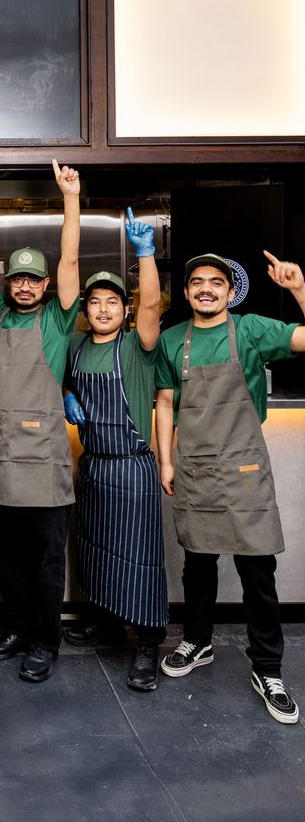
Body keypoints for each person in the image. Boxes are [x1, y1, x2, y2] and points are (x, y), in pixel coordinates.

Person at [155, 251, 305, 724]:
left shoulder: (252, 329)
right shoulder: (171, 339)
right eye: (197, 281)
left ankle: (268, 669)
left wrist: (299, 290)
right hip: (195, 467)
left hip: (243, 470)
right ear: (185, 292)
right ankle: (197, 642)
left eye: (215, 282)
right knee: (197, 566)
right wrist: (166, 460)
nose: (205, 289)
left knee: (257, 574)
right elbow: (164, 401)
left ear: (229, 290)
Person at [0, 160, 81, 683]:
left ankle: (45, 639)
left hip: (44, 464)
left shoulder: (58, 317)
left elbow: (72, 260)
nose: (25, 287)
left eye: (34, 279)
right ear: (7, 282)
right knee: (9, 558)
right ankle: (16, 628)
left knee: (45, 562)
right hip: (1, 459)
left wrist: (70, 199)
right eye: (17, 278)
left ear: (43, 285)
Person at [63, 209, 169, 691]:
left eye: (113, 302)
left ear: (125, 310)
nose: (103, 309)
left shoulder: (137, 344)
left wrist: (145, 252)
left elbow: (152, 305)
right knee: (97, 551)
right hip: (95, 466)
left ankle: (148, 644)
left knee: (140, 559)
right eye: (95, 302)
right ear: (86, 308)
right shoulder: (78, 347)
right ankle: (106, 622)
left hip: (133, 467)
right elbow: (65, 381)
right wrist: (68, 396)